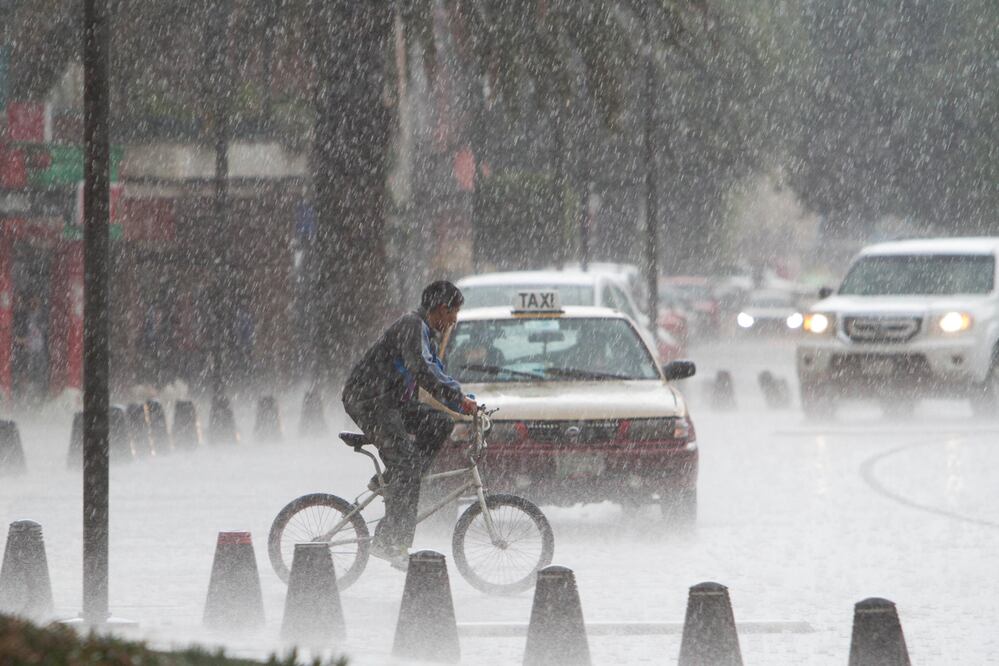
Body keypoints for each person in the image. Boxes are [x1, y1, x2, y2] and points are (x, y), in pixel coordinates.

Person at [342, 280, 477, 570]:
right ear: (441, 309)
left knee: (439, 423)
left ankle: (396, 478)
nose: (454, 320)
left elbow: (437, 369)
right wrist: (457, 399)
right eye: (453, 313)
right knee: (407, 466)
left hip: (394, 403)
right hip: (371, 401)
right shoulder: (411, 325)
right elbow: (422, 369)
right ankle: (391, 541)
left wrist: (461, 399)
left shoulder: (427, 333)